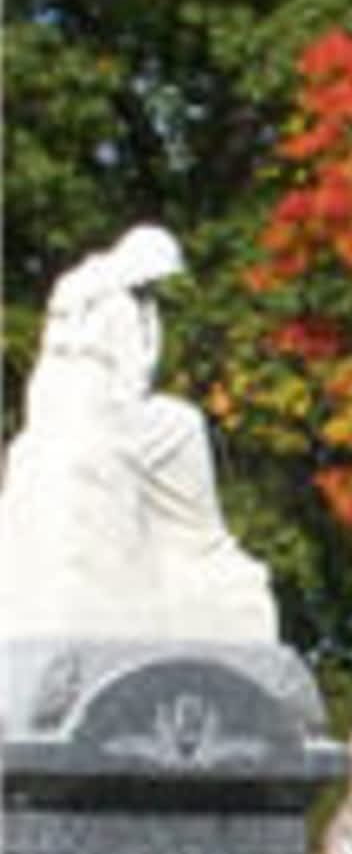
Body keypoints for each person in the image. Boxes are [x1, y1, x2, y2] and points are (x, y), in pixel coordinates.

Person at [0, 225, 275, 640]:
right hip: (96, 410)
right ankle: (202, 541)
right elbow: (131, 382)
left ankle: (192, 543)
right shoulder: (121, 304)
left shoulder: (79, 286)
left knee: (175, 423)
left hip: (55, 406)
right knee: (185, 425)